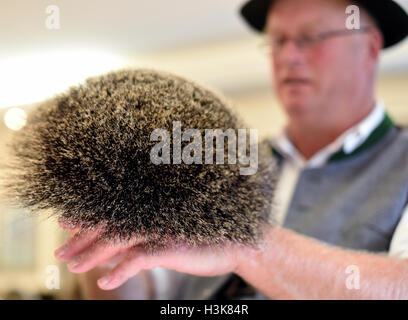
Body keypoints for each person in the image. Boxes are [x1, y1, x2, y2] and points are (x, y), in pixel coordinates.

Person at [54, 0, 408, 299]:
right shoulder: (222, 163)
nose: (289, 56)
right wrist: (106, 259)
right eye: (278, 40)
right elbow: (151, 290)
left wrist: (248, 249)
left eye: (311, 37)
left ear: (371, 47)